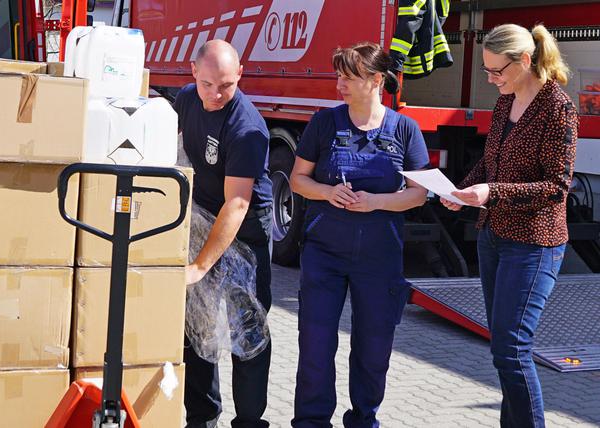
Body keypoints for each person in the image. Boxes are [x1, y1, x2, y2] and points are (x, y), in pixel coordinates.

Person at [443, 24, 578, 428]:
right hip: (493, 237)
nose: (490, 79)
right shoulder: (505, 103)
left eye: (496, 70)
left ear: (523, 60)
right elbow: (492, 162)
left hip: (534, 244)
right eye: (486, 71)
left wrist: (493, 192)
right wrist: (460, 191)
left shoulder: (558, 108)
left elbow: (557, 186)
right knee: (503, 349)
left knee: (512, 349)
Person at [289, 42, 430, 427]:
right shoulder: (324, 122)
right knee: (316, 344)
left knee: (373, 349)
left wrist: (376, 202)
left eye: (348, 78)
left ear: (376, 81)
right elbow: (298, 180)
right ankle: (312, 421)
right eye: (339, 76)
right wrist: (327, 191)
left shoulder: (404, 129)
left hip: (379, 257)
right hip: (324, 254)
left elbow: (418, 195)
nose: (339, 85)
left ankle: (363, 418)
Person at [174, 39, 273, 428]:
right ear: (193, 71)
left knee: (247, 331)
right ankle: (202, 417)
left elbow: (237, 204)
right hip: (201, 223)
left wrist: (199, 266)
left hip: (243, 236)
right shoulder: (186, 99)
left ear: (240, 77)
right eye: (208, 84)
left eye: (227, 86)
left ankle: (249, 421)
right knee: (197, 327)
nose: (216, 94)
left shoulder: (247, 127)